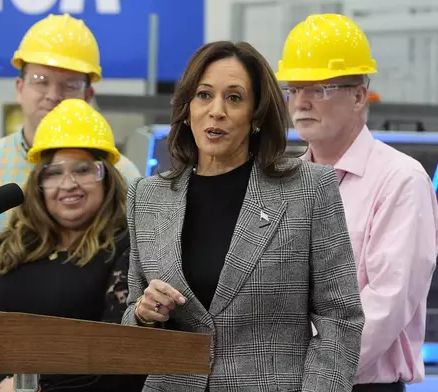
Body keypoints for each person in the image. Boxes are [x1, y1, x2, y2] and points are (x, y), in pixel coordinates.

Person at [121, 40, 365, 391]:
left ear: (256, 115)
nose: (216, 110)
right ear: (187, 108)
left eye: (234, 98)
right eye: (204, 95)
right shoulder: (147, 197)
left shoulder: (309, 189)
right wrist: (144, 315)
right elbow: (132, 319)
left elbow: (339, 317)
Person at [275, 14, 438, 392]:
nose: (302, 101)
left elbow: (385, 304)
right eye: (295, 88)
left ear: (359, 95)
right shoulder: (286, 181)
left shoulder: (400, 181)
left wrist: (313, 374)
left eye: (321, 88)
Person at [0, 13, 141, 307]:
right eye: (40, 81)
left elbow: (137, 270)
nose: (53, 95)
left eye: (69, 85)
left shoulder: (122, 173)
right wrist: (20, 263)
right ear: (20, 88)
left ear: (89, 93)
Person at [0, 99, 145, 392]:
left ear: (106, 179)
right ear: (38, 185)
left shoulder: (125, 248)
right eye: (54, 173)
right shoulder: (9, 248)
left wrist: (33, 386)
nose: (68, 183)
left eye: (83, 170)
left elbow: (119, 352)